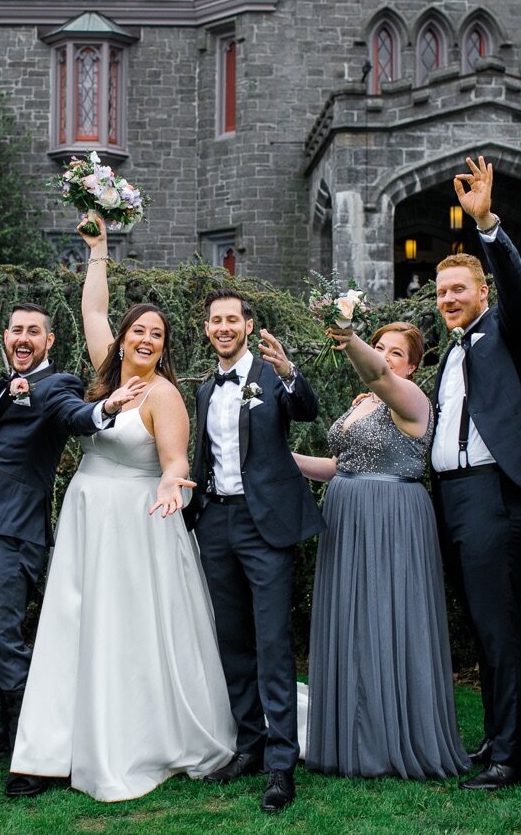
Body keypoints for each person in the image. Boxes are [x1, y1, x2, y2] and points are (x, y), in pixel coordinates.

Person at [7, 214, 234, 801]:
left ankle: (129, 741)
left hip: (138, 522)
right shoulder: (108, 373)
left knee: (125, 631)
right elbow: (93, 313)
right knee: (69, 625)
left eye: (157, 334)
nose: (146, 339)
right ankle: (47, 753)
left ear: (164, 346)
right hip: (88, 513)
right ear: (127, 337)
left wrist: (168, 485)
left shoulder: (164, 395)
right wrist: (99, 251)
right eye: (140, 330)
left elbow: (178, 460)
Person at [0, 298, 132, 769]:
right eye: (16, 330)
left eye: (34, 331)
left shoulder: (58, 385)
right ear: (6, 336)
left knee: (4, 641)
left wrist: (102, 411)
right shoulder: (15, 387)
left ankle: (35, 748)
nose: (23, 338)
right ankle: (11, 730)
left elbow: (73, 415)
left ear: (49, 341)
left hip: (12, 534)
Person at [293, 322, 468, 781]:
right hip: (346, 516)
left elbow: (378, 378)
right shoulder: (364, 404)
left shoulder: (411, 400)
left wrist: (347, 337)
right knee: (351, 621)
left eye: (397, 352)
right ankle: (352, 733)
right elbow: (337, 467)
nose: (386, 357)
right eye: (379, 348)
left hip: (392, 519)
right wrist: (282, 458)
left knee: (387, 618)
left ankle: (390, 739)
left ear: (412, 365)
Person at [429, 155, 521, 792]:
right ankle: (498, 737)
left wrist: (487, 227)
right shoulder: (448, 354)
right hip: (450, 498)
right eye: (442, 291)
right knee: (481, 623)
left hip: (495, 496)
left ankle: (513, 754)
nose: (449, 299)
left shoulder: (509, 332)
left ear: (481, 294)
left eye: (459, 290)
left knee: (500, 625)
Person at [192, 288, 321, 814]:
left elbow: (307, 411)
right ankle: (249, 746)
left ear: (248, 325)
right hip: (216, 522)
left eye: (232, 320)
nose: (223, 327)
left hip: (264, 523)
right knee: (233, 641)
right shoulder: (202, 390)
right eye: (214, 320)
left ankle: (281, 765)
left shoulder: (272, 377)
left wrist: (290, 372)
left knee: (272, 643)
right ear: (206, 329)